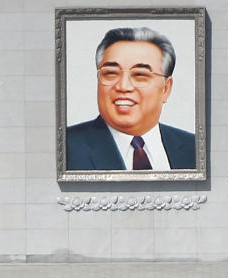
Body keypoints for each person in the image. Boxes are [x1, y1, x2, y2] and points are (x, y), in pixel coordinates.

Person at [66, 27, 196, 171]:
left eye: (140, 75)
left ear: (166, 89)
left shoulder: (195, 148)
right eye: (111, 73)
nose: (123, 86)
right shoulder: (64, 147)